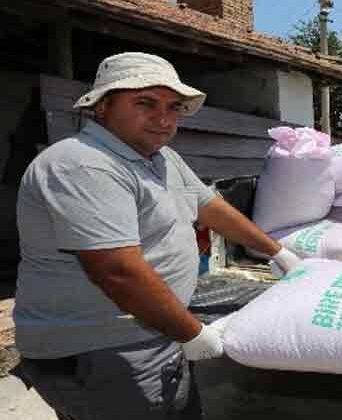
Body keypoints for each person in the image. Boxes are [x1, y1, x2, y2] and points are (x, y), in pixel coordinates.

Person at [13, 52, 302, 420]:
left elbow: (211, 207)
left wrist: (278, 252)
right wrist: (192, 334)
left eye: (174, 106)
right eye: (145, 103)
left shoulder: (161, 157)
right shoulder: (83, 164)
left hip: (151, 325)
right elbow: (117, 271)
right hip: (103, 347)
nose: (164, 119)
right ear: (103, 106)